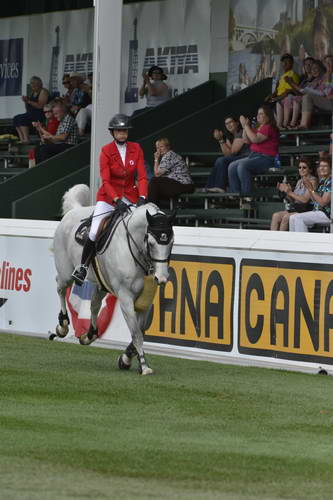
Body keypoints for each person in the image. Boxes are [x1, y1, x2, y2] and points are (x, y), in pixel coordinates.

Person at [72, 114, 148, 285]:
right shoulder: (106, 151)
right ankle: (83, 267)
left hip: (130, 196)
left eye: (125, 131)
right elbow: (105, 180)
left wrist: (143, 196)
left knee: (142, 227)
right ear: (113, 132)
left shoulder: (136, 148)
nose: (122, 134)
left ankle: (146, 265)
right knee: (94, 230)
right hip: (108, 197)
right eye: (119, 131)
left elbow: (142, 176)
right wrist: (115, 199)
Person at [227, 105, 279, 196]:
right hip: (254, 156)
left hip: (266, 158)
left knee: (242, 166)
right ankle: (235, 194)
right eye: (258, 113)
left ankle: (246, 195)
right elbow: (246, 140)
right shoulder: (258, 128)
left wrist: (246, 126)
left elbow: (255, 139)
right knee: (232, 166)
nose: (258, 116)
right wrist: (244, 127)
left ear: (268, 115)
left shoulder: (269, 127)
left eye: (261, 114)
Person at [270, 157, 317, 231]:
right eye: (299, 167)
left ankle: (281, 241)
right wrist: (286, 191)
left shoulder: (313, 181)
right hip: (297, 208)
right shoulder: (299, 181)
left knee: (286, 217)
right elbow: (293, 201)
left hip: (307, 209)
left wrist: (290, 192)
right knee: (275, 216)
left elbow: (305, 200)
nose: (301, 169)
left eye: (304, 167)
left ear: (310, 169)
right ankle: (272, 240)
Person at [205, 116, 250, 193]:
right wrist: (221, 140)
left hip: (246, 157)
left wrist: (221, 140)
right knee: (220, 160)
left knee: (221, 160)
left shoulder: (241, 132)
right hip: (237, 159)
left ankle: (220, 186)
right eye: (226, 124)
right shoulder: (229, 137)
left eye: (230, 122)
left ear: (237, 123)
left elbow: (233, 152)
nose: (229, 125)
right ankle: (210, 187)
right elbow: (227, 154)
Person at [289, 158, 331, 232]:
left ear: (331, 168)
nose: (322, 168)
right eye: (320, 166)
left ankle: (303, 242)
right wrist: (309, 188)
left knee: (298, 218)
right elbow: (315, 200)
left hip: (327, 214)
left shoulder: (331, 182)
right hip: (318, 211)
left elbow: (323, 203)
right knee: (292, 218)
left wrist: (311, 189)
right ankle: (295, 241)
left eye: (325, 166)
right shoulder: (323, 181)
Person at [148, 137, 194, 205]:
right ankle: (153, 207)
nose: (159, 150)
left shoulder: (169, 155)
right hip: (181, 185)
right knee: (155, 185)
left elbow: (157, 174)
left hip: (184, 185)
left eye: (161, 147)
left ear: (168, 146)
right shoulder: (167, 156)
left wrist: (156, 159)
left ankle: (151, 207)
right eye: (157, 148)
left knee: (154, 181)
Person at [284, 59, 328, 129]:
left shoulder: (324, 79)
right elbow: (302, 91)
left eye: (316, 68)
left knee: (297, 99)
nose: (314, 70)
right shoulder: (310, 81)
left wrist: (292, 83)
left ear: (321, 68)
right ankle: (284, 125)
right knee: (288, 98)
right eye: (312, 69)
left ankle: (293, 123)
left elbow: (322, 94)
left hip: (320, 102)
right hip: (307, 100)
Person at [265, 54, 300, 129]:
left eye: (288, 61)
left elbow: (289, 92)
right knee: (266, 104)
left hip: (287, 100)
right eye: (284, 62)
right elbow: (276, 91)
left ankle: (283, 125)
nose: (285, 63)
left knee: (278, 102)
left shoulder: (293, 74)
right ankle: (275, 127)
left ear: (292, 63)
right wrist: (271, 96)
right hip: (279, 99)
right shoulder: (281, 76)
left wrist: (276, 99)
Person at [13, 76, 49, 143]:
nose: (32, 85)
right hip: (31, 114)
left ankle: (26, 139)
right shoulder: (33, 93)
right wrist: (26, 102)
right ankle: (22, 139)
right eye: (31, 83)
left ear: (39, 84)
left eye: (33, 83)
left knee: (22, 118)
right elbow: (28, 108)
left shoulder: (43, 91)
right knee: (15, 118)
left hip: (40, 114)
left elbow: (40, 106)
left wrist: (29, 101)